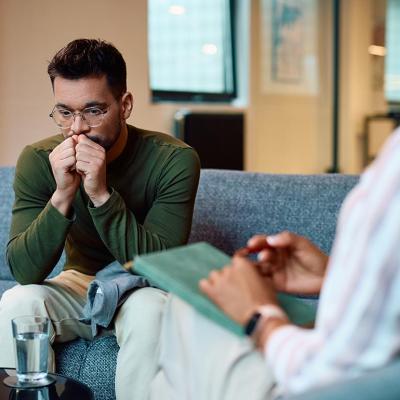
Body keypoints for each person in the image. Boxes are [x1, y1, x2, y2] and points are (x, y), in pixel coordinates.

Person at [0, 38, 200, 400]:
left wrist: (100, 193)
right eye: (64, 112)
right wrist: (62, 194)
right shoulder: (38, 159)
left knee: (150, 313)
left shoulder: (175, 159)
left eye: (93, 110)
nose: (77, 128)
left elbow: (158, 268)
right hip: (80, 282)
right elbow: (26, 271)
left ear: (124, 105)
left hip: (143, 289)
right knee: (17, 302)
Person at [149, 127, 400, 399]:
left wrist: (260, 317)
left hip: (309, 384)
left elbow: (328, 377)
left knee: (188, 302)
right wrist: (332, 275)